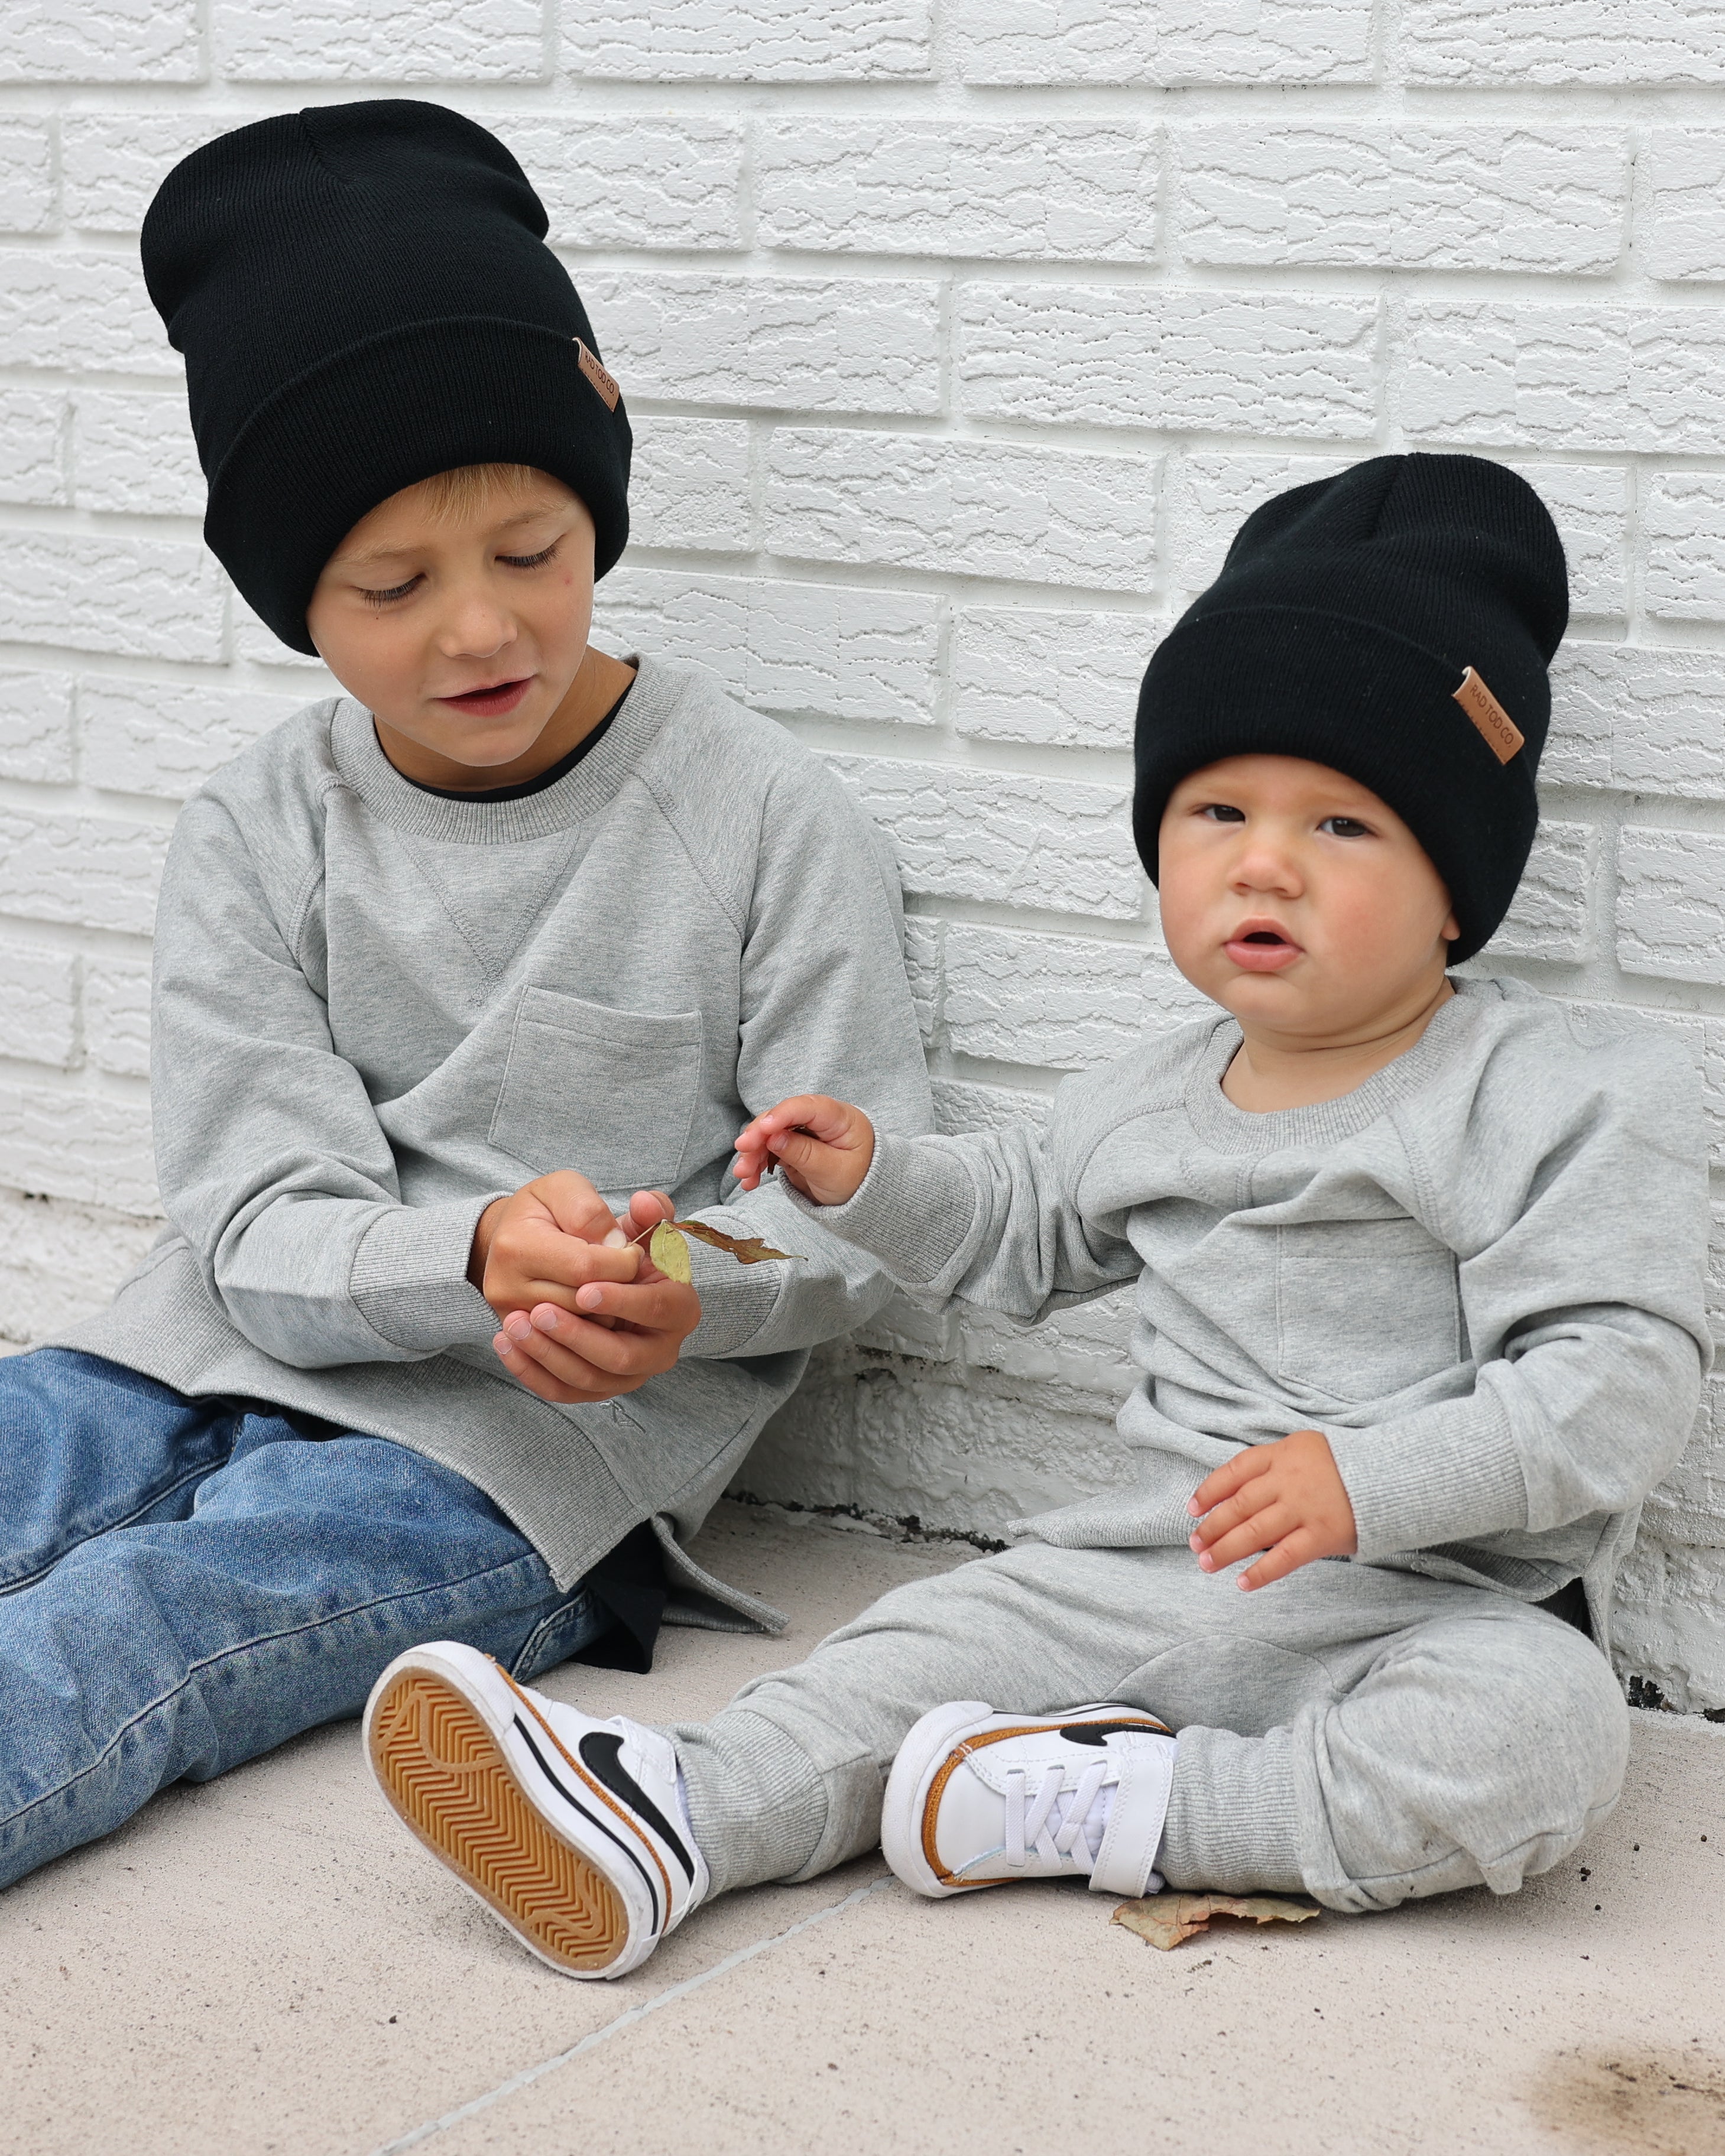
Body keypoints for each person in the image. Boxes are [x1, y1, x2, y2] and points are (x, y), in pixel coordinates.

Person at [365, 454, 1710, 1982]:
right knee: (914, 1649)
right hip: (1147, 1565)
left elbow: (1614, 1387)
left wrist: (1370, 1481)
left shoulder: (1571, 1090)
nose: (1263, 859)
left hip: (1434, 1601)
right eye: (1218, 810)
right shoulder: (1153, 1091)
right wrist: (873, 1175)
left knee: (1544, 1741)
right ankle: (675, 1812)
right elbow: (1015, 1224)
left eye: (1344, 827)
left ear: (1459, 881)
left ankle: (1103, 1807)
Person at [0, 100, 930, 1893]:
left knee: (144, 1621)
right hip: (202, 1349)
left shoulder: (758, 813)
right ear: (294, 602)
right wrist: (462, 1246)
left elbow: (852, 1209)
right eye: (392, 584)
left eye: (532, 551)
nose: (482, 631)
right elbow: (255, 1208)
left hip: (521, 1450)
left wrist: (664, 1282)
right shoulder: (262, 822)